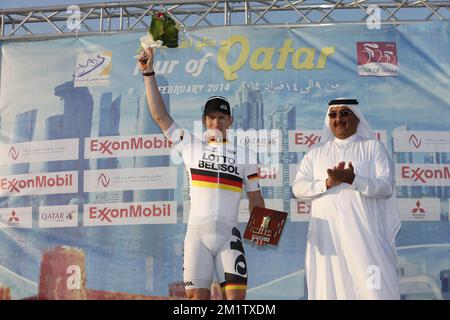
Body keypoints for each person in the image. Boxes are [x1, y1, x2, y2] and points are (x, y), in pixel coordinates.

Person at [137, 47, 265, 300]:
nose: (215, 123)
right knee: (196, 301)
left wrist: (261, 230)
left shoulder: (246, 155)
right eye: (210, 118)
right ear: (204, 120)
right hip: (196, 237)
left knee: (236, 301)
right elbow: (159, 116)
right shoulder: (191, 145)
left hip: (230, 235)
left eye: (221, 117)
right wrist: (148, 73)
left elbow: (255, 199)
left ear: (231, 120)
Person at [292, 98, 401, 300]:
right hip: (328, 239)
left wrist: (354, 179)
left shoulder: (372, 148)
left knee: (374, 292)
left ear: (357, 118)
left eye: (344, 113)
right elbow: (298, 188)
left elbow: (385, 188)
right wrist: (326, 183)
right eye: (333, 114)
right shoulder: (316, 153)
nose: (338, 118)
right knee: (329, 293)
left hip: (364, 238)